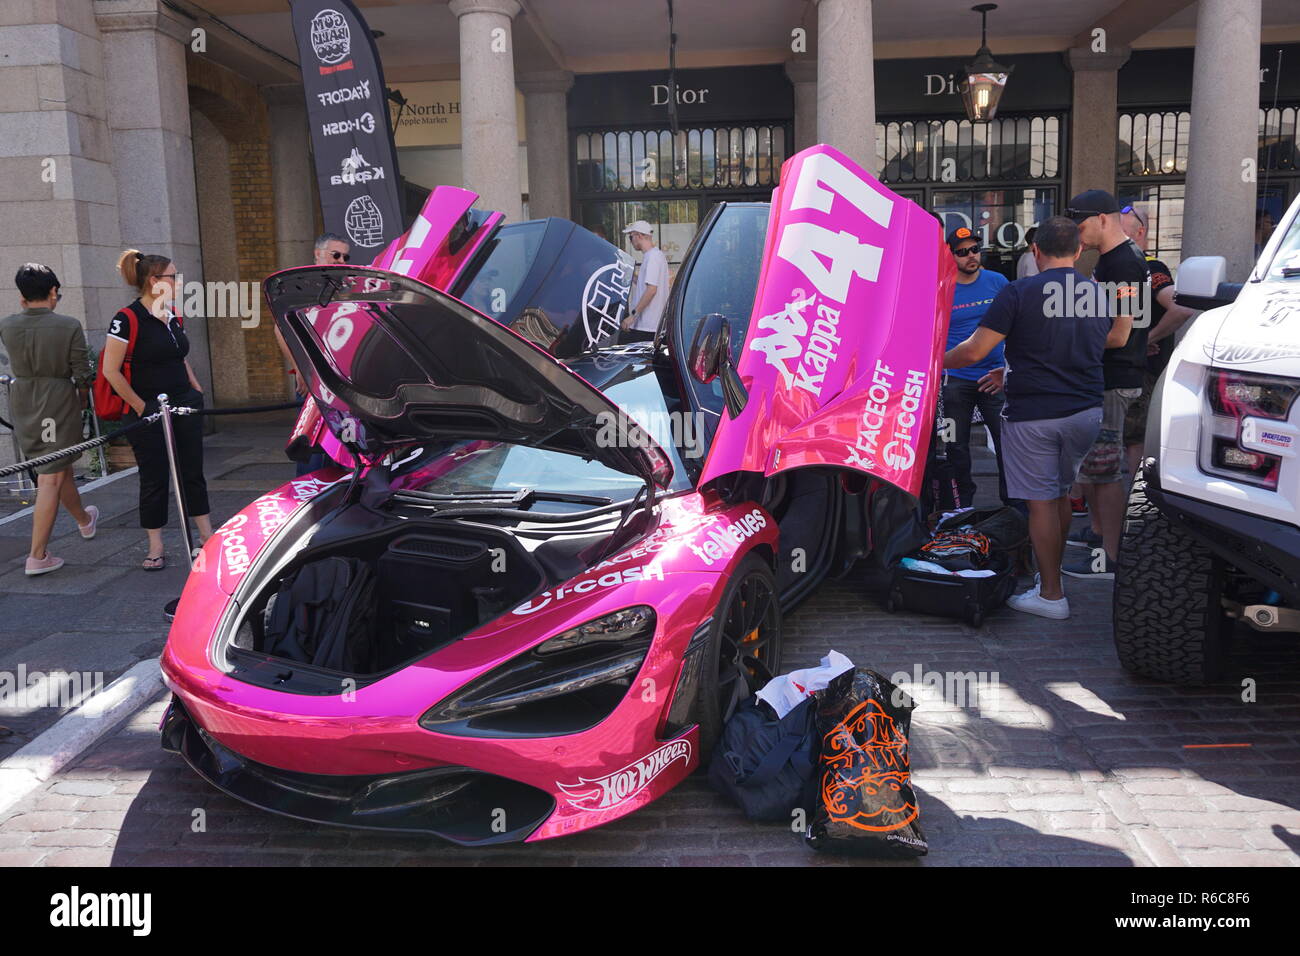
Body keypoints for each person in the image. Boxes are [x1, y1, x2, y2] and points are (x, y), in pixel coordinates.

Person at [943, 217, 1130, 620]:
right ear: (1079, 251)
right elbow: (1117, 338)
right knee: (1060, 494)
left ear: (1036, 251)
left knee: (1042, 502)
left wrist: (929, 363)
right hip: (1085, 412)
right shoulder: (1098, 292)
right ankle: (1053, 571)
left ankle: (1050, 594)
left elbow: (975, 351)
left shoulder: (1018, 291)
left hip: (1033, 415)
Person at [101, 250, 213, 570]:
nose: (178, 281)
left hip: (183, 402)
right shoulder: (127, 318)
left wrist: (194, 387)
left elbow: (179, 355)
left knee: (192, 469)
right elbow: (111, 370)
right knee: (154, 476)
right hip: (148, 408)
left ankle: (207, 535)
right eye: (173, 276)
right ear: (154, 281)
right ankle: (156, 545)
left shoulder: (174, 314)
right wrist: (140, 406)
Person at [1062, 190, 1149, 580]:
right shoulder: (1115, 260)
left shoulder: (1124, 263)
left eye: (1080, 226)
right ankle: (1100, 538)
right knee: (1098, 468)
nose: (1078, 237)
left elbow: (1120, 333)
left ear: (1101, 218)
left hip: (1115, 376)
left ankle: (1111, 556)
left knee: (1108, 471)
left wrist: (1068, 347)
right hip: (1108, 374)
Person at [0, 264, 98, 575]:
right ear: (53, 291)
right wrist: (82, 398)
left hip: (23, 399)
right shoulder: (67, 325)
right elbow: (82, 371)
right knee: (50, 475)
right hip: (54, 402)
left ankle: (84, 520)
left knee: (57, 466)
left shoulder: (7, 325)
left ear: (21, 296)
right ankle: (37, 555)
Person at [1117, 205, 1195, 494]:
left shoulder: (1151, 267)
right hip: (1121, 369)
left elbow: (1181, 308)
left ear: (1140, 232)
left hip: (1142, 372)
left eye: (1120, 229)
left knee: (1134, 440)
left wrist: (1147, 338)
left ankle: (1133, 505)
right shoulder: (1120, 266)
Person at [941, 226, 1012, 506]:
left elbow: (1018, 327)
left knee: (1007, 444)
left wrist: (1008, 370)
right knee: (955, 446)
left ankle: (1012, 507)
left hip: (995, 376)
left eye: (974, 249)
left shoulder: (999, 282)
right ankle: (962, 507)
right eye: (962, 252)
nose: (971, 256)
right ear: (951, 256)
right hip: (955, 381)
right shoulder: (942, 288)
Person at [274, 234, 349, 475]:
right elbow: (280, 328)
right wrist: (302, 371)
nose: (341, 261)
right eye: (335, 255)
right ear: (318, 254)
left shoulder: (344, 289)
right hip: (314, 384)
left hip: (341, 383)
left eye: (345, 257)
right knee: (313, 449)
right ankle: (309, 500)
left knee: (342, 448)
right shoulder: (302, 286)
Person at [620, 220, 668, 344]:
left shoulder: (653, 257)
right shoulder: (653, 256)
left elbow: (651, 290)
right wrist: (630, 275)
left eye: (631, 237)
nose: (631, 242)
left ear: (639, 235)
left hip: (648, 326)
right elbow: (645, 285)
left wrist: (633, 316)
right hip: (649, 325)